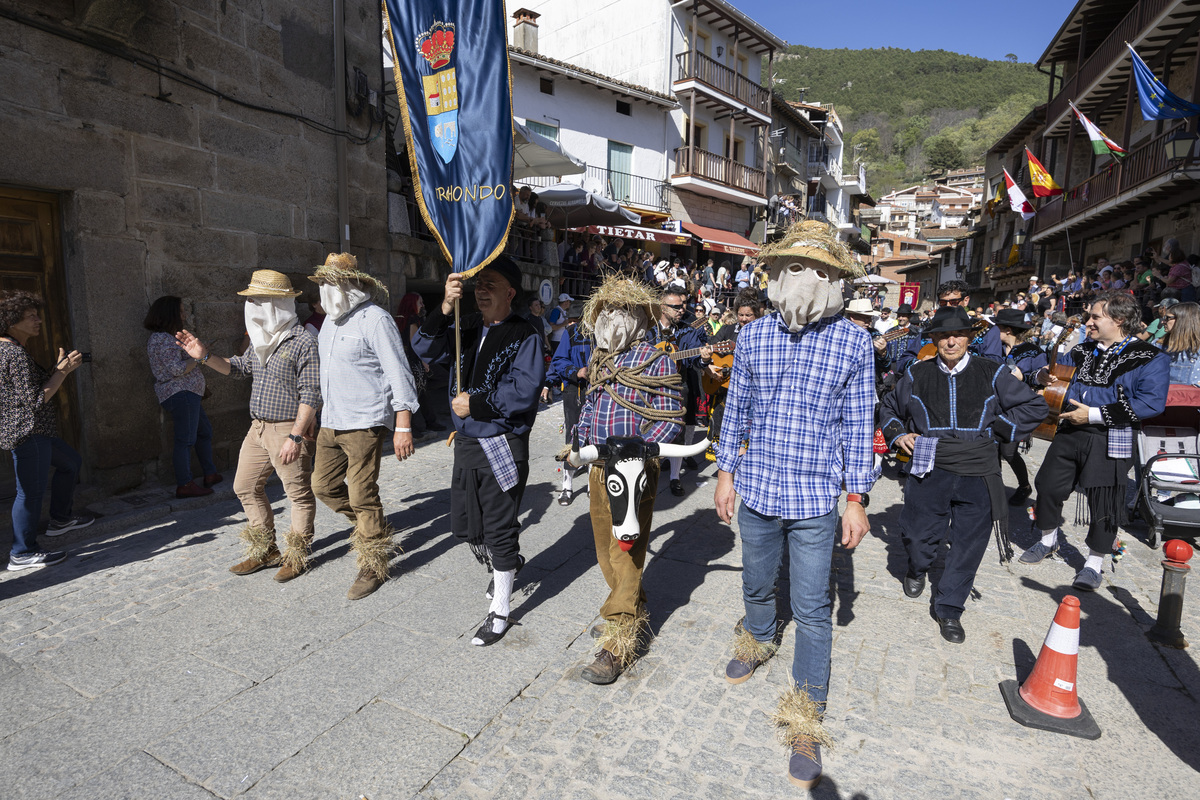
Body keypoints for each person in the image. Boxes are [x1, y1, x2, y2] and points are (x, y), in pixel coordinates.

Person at [714, 221, 877, 789]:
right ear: (775, 275)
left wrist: (855, 499)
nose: (808, 280)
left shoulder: (855, 341)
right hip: (757, 486)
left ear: (838, 281)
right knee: (757, 581)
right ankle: (758, 637)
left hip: (815, 497)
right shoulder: (754, 336)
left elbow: (859, 426)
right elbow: (737, 411)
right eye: (796, 268)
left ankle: (806, 715)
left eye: (822, 271)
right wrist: (725, 471)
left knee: (812, 607)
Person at [881, 306, 1047, 642]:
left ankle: (949, 608)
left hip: (978, 465)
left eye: (958, 335)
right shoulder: (917, 374)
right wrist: (898, 434)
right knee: (917, 531)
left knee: (969, 543)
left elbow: (1035, 407)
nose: (951, 341)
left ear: (970, 339)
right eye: (943, 335)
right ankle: (917, 565)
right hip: (930, 460)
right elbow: (889, 408)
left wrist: (997, 428)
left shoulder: (992, 371)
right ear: (934, 339)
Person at [414, 256, 544, 646]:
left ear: (509, 292)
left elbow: (524, 390)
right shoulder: (465, 327)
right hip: (468, 443)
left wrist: (478, 403)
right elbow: (424, 347)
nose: (481, 291)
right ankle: (511, 563)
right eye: (478, 284)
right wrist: (445, 308)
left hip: (502, 441)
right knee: (467, 526)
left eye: (490, 284)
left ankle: (500, 609)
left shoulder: (526, 332)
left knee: (500, 528)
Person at [567, 277, 684, 684]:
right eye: (606, 311)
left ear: (639, 318)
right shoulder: (600, 359)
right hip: (599, 468)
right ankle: (632, 604)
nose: (612, 319)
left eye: (623, 311)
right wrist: (578, 445)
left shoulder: (656, 360)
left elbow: (671, 416)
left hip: (633, 471)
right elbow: (589, 407)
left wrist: (640, 450)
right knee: (604, 550)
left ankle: (618, 640)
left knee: (625, 549)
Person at [177, 270, 322, 582]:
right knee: (244, 486)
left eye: (257, 301)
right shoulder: (260, 341)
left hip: (288, 429)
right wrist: (203, 357)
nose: (251, 307)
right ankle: (265, 550)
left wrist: (296, 436)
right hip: (257, 429)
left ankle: (297, 555)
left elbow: (312, 392)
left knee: (297, 494)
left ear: (275, 305)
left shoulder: (303, 342)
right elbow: (237, 368)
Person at [1023, 291, 1170, 589]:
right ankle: (1048, 540)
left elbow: (1151, 403)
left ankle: (1094, 563)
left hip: (1113, 434)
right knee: (1048, 485)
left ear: (1118, 319)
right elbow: (1054, 374)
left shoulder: (1151, 357)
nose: (1088, 322)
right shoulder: (1081, 350)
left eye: (1095, 317)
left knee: (1105, 499)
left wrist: (1092, 414)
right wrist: (1042, 376)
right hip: (1069, 430)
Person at [309, 253, 419, 600]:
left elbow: (398, 372)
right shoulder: (330, 321)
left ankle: (374, 560)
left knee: (361, 492)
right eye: (322, 283)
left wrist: (403, 424)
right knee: (322, 486)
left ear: (348, 285)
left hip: (365, 421)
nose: (324, 290)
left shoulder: (375, 319)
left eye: (330, 283)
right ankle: (372, 527)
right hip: (332, 419)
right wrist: (314, 414)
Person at [1, 290, 93, 570]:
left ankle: (60, 519)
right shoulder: (12, 352)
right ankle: (22, 552)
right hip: (28, 432)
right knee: (29, 492)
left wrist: (58, 367)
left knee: (71, 462)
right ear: (11, 320)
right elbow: (35, 399)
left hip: (37, 431)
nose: (38, 320)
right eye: (31, 316)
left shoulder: (13, 349)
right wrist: (62, 373)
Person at [144, 296, 220, 498]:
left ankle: (210, 473)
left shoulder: (167, 338)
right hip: (181, 394)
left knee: (204, 432)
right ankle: (184, 484)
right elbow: (176, 369)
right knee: (185, 440)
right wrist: (198, 358)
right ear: (170, 314)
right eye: (181, 311)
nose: (185, 315)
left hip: (190, 393)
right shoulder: (162, 340)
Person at [645, 285, 710, 496]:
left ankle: (675, 477)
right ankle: (646, 472)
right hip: (649, 386)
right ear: (663, 308)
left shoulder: (687, 330)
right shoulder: (648, 329)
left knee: (679, 430)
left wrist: (703, 358)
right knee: (648, 429)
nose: (681, 310)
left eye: (682, 306)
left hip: (676, 385)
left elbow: (693, 359)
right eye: (676, 307)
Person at [994, 308, 1049, 504]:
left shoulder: (1034, 352)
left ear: (1007, 330)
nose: (994, 331)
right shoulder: (993, 349)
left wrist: (1023, 377)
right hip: (993, 405)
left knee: (1008, 451)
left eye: (997, 327)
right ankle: (994, 491)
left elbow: (1042, 380)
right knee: (992, 450)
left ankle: (1024, 486)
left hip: (1017, 407)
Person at [896, 280, 1000, 371]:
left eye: (954, 302)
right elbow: (902, 362)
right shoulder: (928, 332)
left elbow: (996, 363)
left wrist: (967, 358)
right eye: (943, 303)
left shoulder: (988, 330)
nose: (948, 306)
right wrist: (920, 363)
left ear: (966, 300)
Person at [542, 323, 593, 505]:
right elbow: (559, 359)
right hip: (576, 390)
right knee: (574, 438)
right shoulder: (573, 331)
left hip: (602, 390)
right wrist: (575, 372)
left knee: (596, 439)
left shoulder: (610, 328)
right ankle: (567, 486)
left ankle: (592, 485)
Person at [395, 292, 445, 434]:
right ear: (412, 304)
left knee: (420, 393)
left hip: (408, 361)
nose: (422, 305)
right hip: (414, 362)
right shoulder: (412, 319)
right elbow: (415, 343)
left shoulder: (405, 319)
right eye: (420, 303)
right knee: (417, 393)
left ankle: (426, 423)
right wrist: (424, 362)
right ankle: (415, 427)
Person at [1161, 301, 1200, 385]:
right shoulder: (1159, 345)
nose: (1163, 322)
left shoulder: (1197, 349)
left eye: (1167, 318)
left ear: (1183, 320)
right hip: (1167, 397)